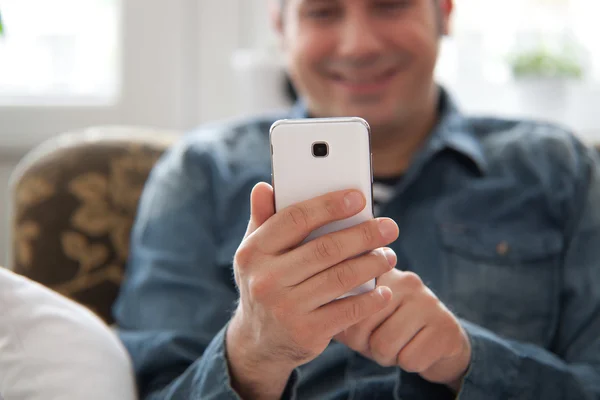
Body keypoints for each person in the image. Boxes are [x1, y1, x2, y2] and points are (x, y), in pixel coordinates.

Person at [113, 0, 600, 399]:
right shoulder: (200, 173)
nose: (359, 45)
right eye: (323, 12)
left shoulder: (559, 169)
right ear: (281, 27)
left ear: (445, 12)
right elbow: (153, 389)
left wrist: (467, 360)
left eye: (390, 6)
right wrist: (251, 356)